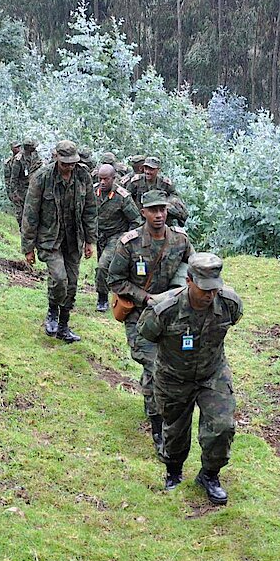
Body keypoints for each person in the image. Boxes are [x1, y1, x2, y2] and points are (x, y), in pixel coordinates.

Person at [137, 253, 242, 505]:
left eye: (214, 289)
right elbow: (146, 336)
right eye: (204, 289)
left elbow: (233, 319)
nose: (209, 295)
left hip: (212, 373)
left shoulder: (229, 303)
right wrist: (155, 371)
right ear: (188, 281)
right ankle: (173, 472)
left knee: (222, 427)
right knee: (175, 430)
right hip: (174, 377)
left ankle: (210, 475)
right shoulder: (165, 309)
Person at [108, 190, 193, 447]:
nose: (158, 215)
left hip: (171, 315)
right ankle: (159, 429)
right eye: (153, 210)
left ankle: (155, 404)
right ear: (143, 212)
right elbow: (115, 280)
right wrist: (145, 298)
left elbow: (193, 269)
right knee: (155, 366)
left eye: (162, 210)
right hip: (140, 317)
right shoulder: (130, 244)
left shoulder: (180, 240)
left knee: (168, 368)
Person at [21, 140, 98, 343]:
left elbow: (90, 210)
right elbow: (30, 214)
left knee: (71, 283)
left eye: (72, 163)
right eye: (65, 163)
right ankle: (52, 311)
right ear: (56, 157)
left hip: (73, 239)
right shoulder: (42, 178)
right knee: (59, 278)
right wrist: (28, 247)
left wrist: (90, 240)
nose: (69, 167)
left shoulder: (83, 176)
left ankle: (64, 325)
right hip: (50, 239)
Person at [94, 164, 142, 313]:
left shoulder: (122, 197)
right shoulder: (93, 192)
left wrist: (125, 239)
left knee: (103, 266)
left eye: (106, 179)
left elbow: (136, 221)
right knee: (104, 267)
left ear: (113, 178)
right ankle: (108, 290)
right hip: (98, 236)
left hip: (116, 236)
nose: (102, 182)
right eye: (100, 179)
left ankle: (102, 298)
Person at [9, 137, 42, 227]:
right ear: (28, 148)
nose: (35, 148)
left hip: (34, 187)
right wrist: (14, 194)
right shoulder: (18, 160)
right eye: (33, 147)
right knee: (22, 213)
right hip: (22, 190)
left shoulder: (35, 154)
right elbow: (14, 178)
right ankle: (22, 228)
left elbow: (38, 165)